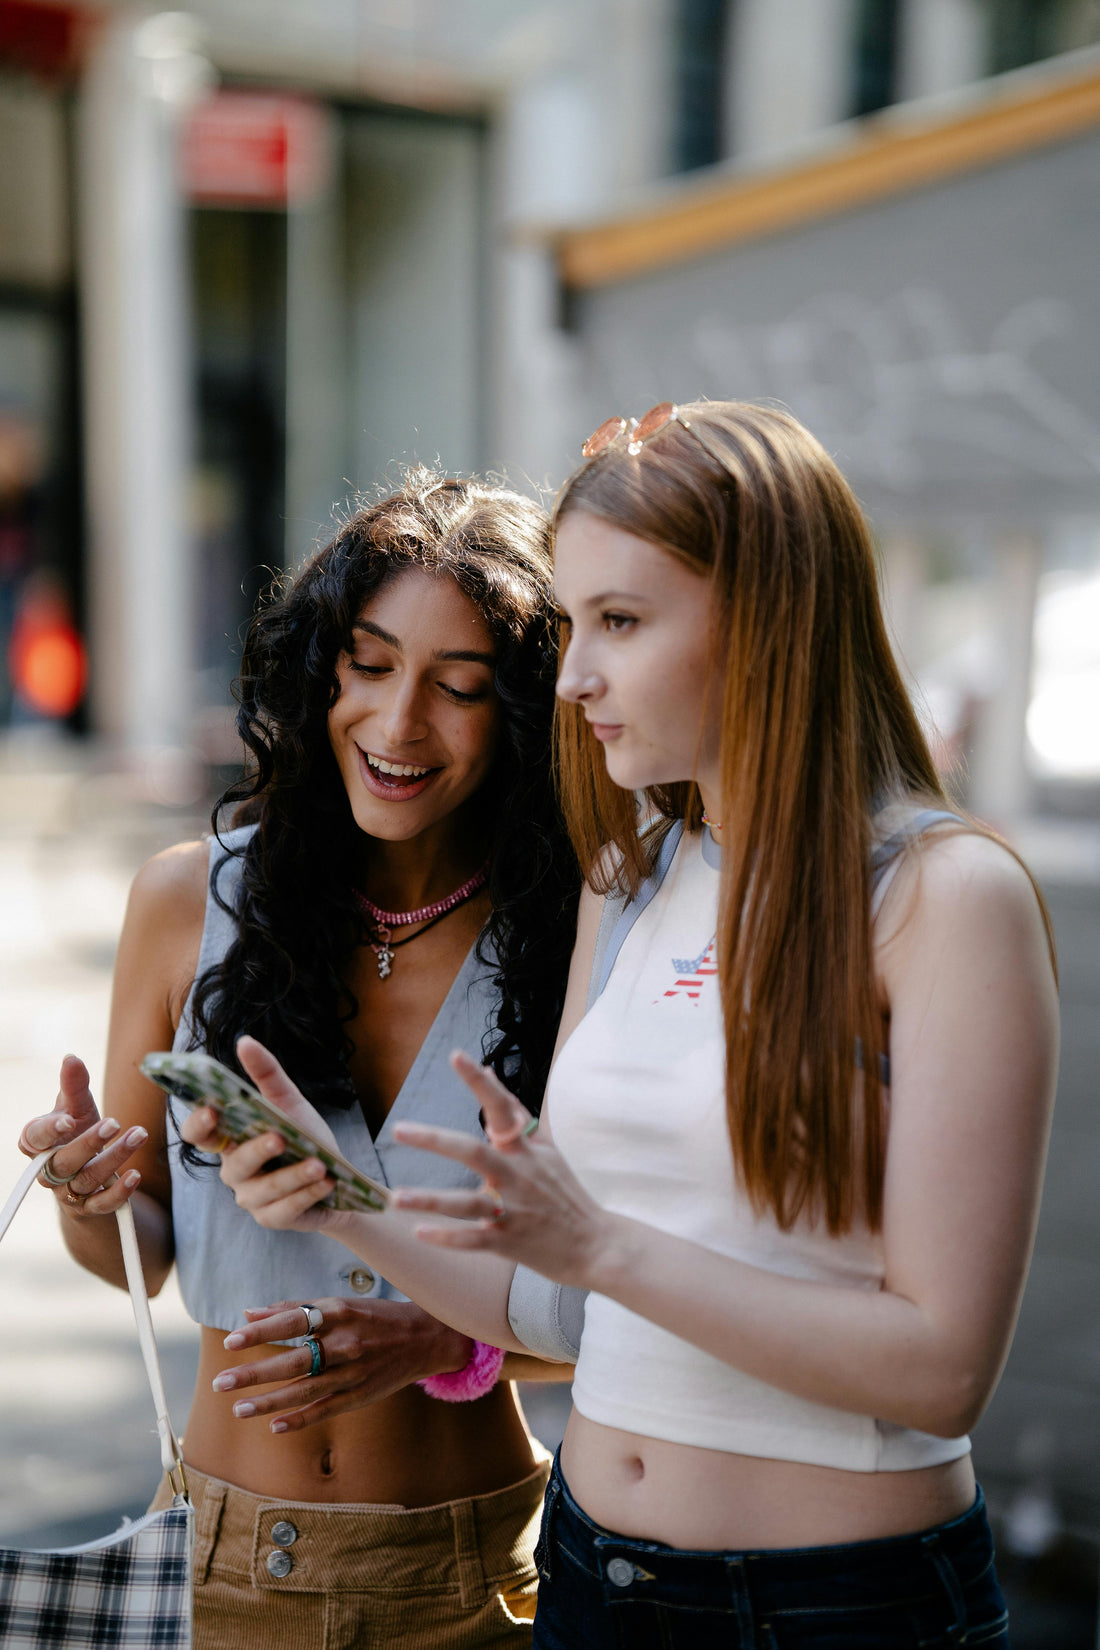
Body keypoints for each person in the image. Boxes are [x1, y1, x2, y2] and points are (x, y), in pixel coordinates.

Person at [193, 403, 1059, 1648]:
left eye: (621, 622)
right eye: (577, 620)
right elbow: (549, 1308)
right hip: (595, 1581)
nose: (576, 674)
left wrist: (599, 1249)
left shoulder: (941, 898)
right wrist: (332, 1195)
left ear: (764, 623)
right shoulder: (633, 877)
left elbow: (939, 1366)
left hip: (831, 1604)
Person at [17, 471, 580, 1649]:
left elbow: (624, 1290)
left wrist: (451, 1338)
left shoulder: (574, 932)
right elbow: (140, 1260)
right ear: (318, 669)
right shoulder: (188, 900)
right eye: (367, 666)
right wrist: (93, 1193)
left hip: (477, 1577)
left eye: (459, 687)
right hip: (218, 1567)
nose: (396, 724)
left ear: (523, 711)